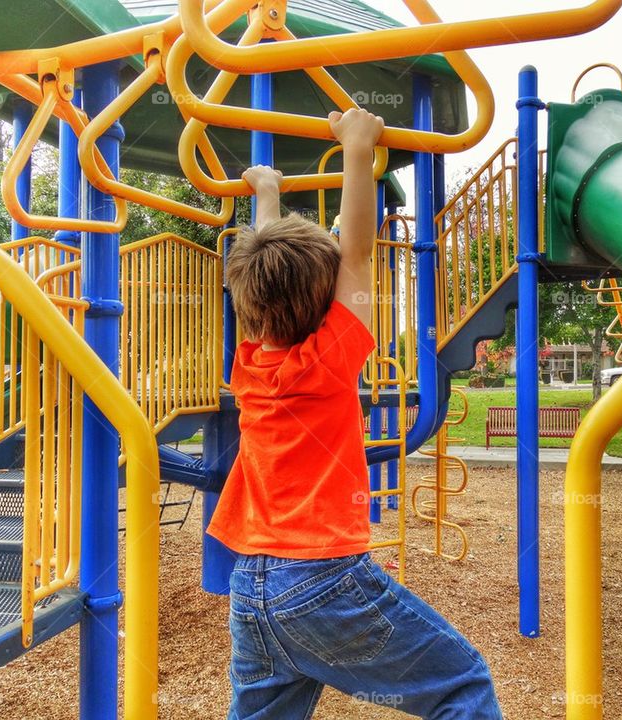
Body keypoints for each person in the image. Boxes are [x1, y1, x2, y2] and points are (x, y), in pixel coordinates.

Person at [207, 108, 502, 720]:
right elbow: (360, 255)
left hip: (250, 587)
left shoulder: (250, 365)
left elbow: (266, 282)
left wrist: (268, 194)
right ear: (328, 302)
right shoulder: (330, 359)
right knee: (461, 685)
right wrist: (358, 147)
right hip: (321, 582)